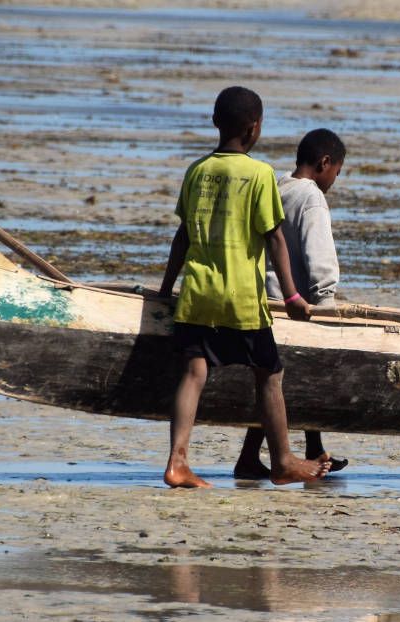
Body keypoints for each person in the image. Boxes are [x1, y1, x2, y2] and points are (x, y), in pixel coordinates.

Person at [157, 86, 331, 488]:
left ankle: (177, 461)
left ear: (216, 123)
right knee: (269, 374)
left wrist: (166, 289)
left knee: (194, 372)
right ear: (255, 129)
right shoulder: (259, 175)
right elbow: (274, 239)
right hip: (241, 299)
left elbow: (182, 237)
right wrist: (292, 296)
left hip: (197, 294)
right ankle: (283, 460)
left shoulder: (197, 171)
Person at [234, 128, 350, 479]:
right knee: (292, 379)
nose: (333, 181)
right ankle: (264, 456)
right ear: (324, 163)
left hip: (264, 301)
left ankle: (283, 453)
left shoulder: (276, 187)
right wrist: (328, 308)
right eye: (336, 173)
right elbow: (321, 261)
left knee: (274, 382)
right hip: (295, 304)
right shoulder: (311, 197)